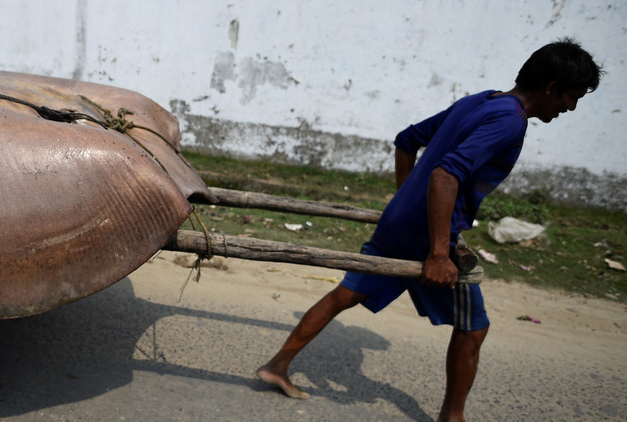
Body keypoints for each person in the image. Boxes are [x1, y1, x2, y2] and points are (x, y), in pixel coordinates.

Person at [256, 38, 603, 422]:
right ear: (551, 88)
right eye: (572, 98)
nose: (569, 108)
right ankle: (452, 417)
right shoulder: (510, 120)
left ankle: (278, 364)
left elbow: (407, 140)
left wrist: (405, 199)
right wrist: (439, 253)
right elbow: (445, 174)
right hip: (427, 237)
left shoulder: (481, 100)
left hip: (399, 223)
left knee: (345, 294)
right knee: (473, 328)